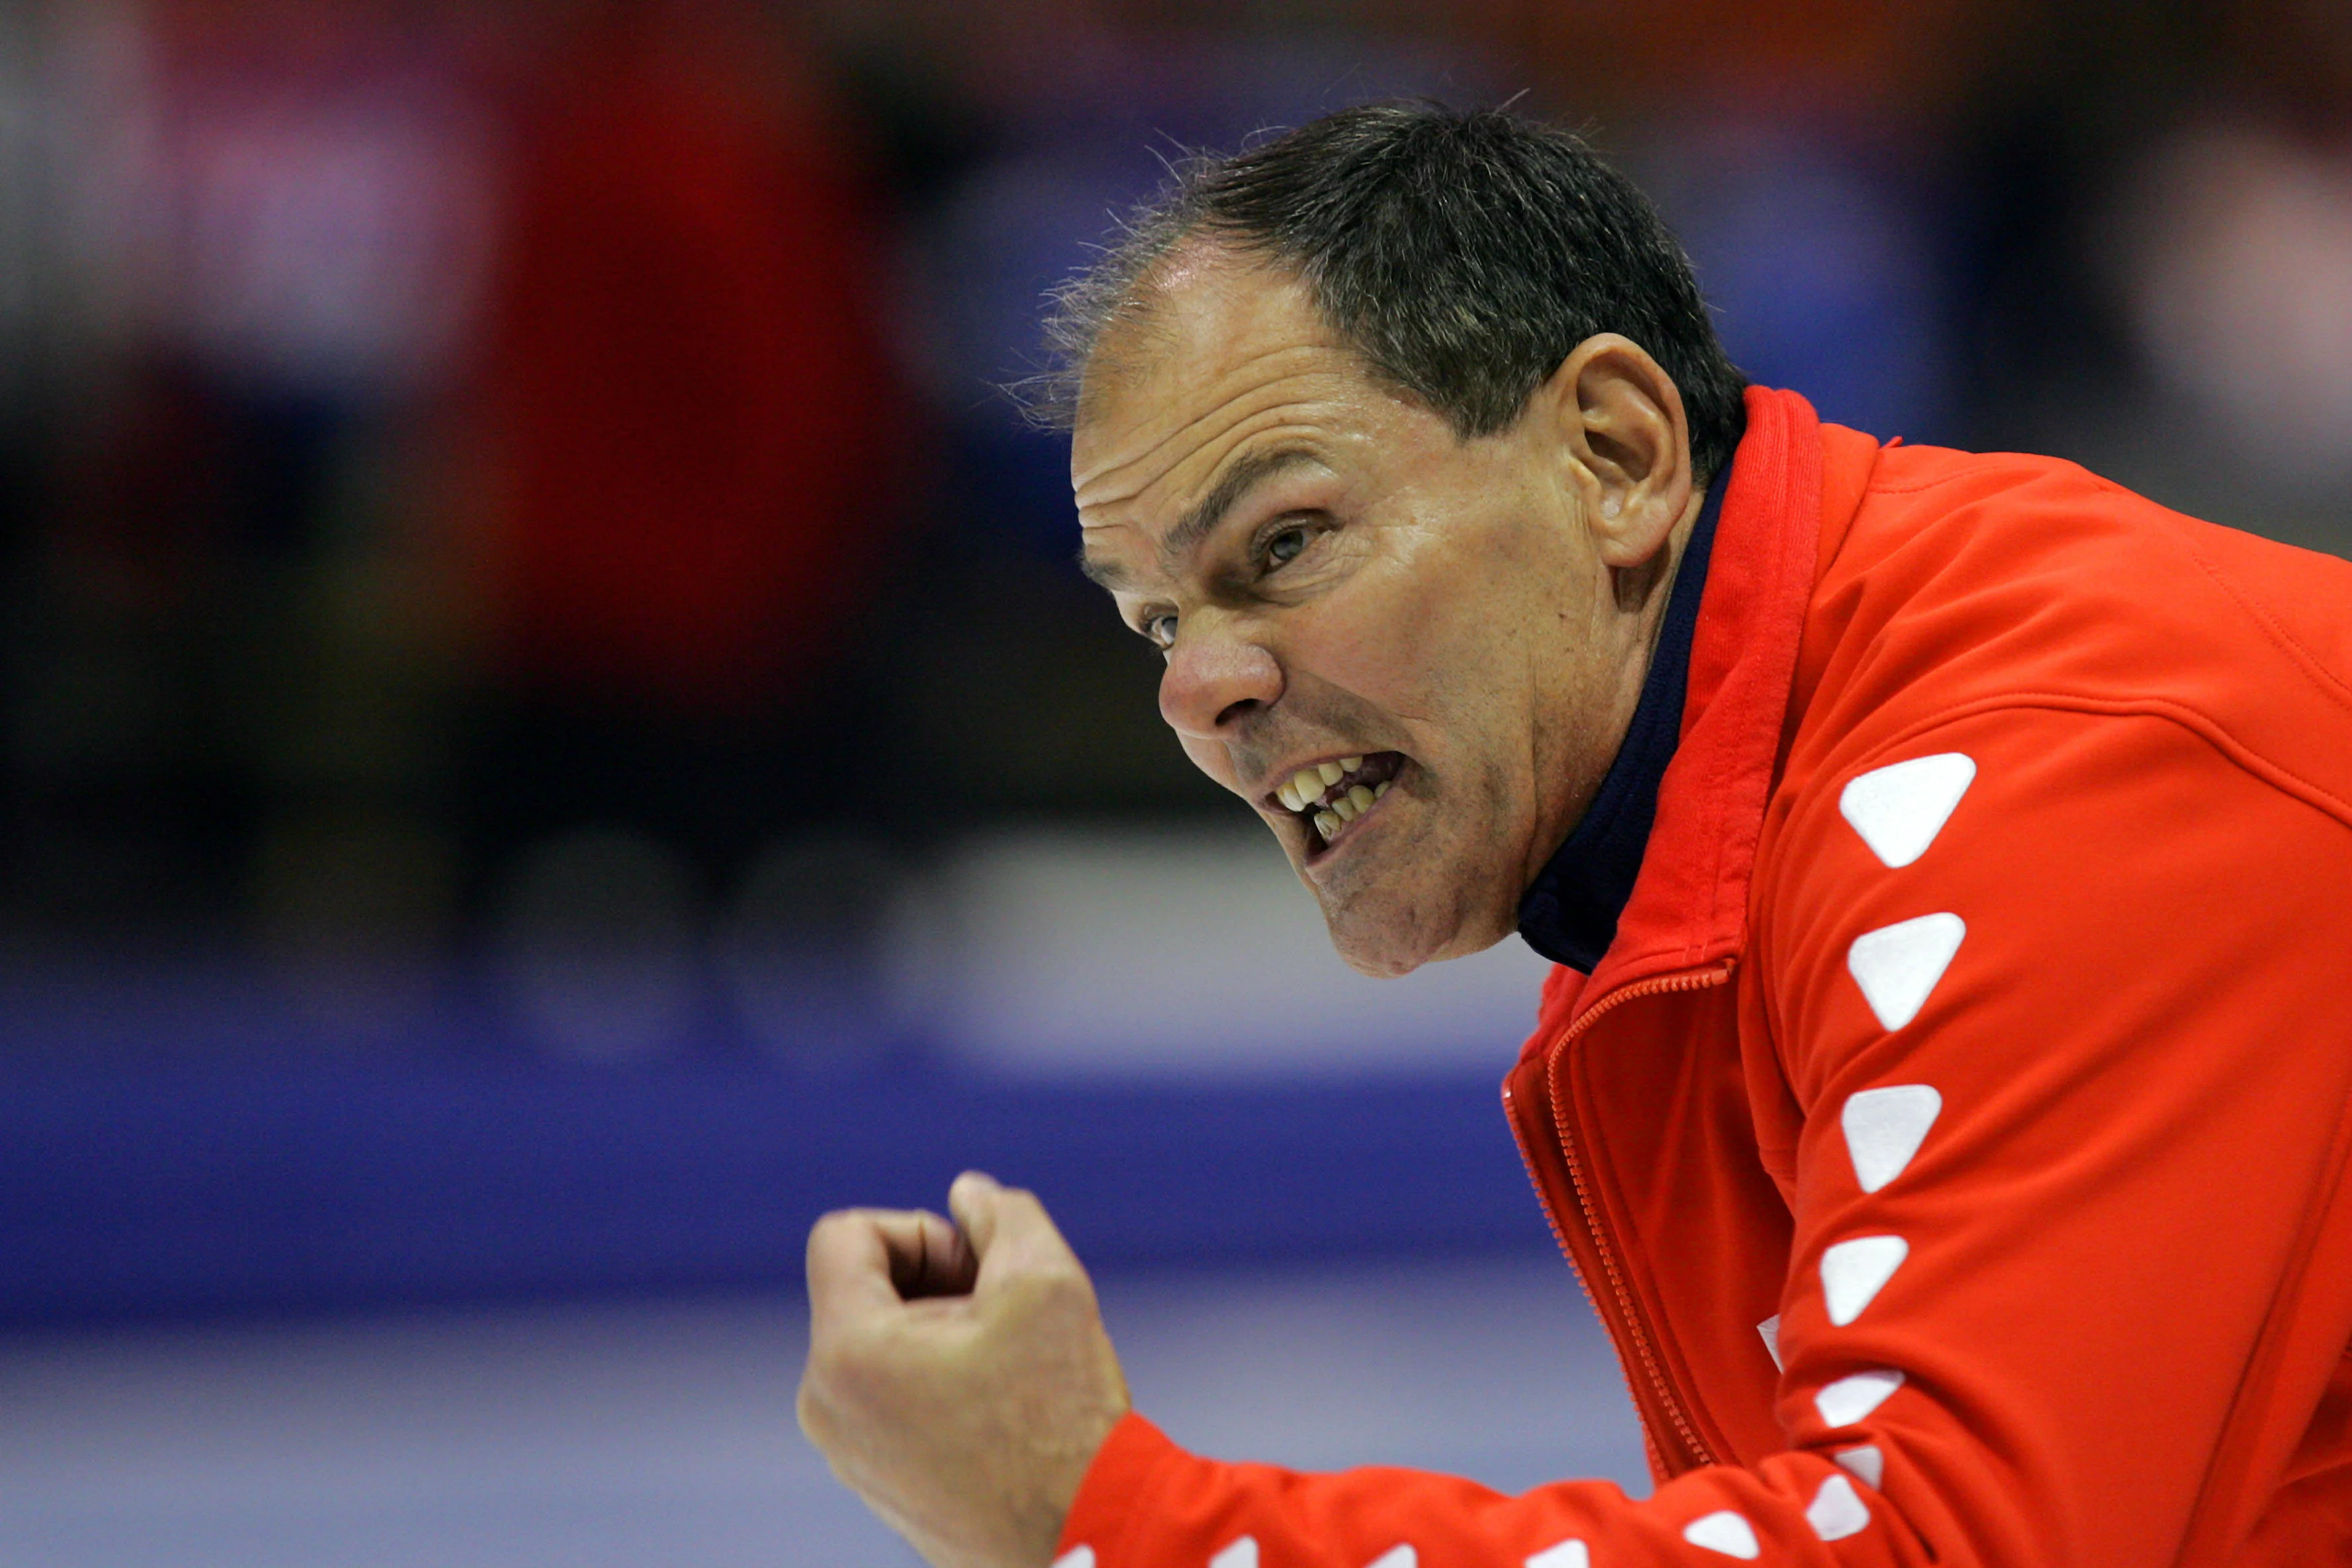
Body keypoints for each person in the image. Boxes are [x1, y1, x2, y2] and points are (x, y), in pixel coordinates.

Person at [796, 102, 2352, 1568]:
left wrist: (1108, 1514)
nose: (1198, 688)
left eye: (1285, 541)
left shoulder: (2052, 781)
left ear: (1614, 453)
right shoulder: (1692, 853)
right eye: (1152, 619)